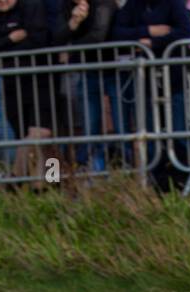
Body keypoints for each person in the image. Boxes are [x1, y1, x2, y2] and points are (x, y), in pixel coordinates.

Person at [110, 0, 190, 179]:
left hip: (174, 79)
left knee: (179, 131)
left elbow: (186, 32)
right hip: (145, 83)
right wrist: (148, 32)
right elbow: (116, 33)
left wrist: (153, 43)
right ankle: (154, 178)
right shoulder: (133, 5)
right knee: (150, 134)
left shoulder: (174, 4)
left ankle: (183, 177)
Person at [0, 0, 57, 178]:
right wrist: (10, 39)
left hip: (40, 79)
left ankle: (19, 179)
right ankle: (41, 186)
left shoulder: (32, 6)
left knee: (40, 135)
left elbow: (38, 39)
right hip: (10, 82)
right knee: (25, 138)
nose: (2, 1)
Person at [59, 0, 120, 172]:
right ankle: (86, 168)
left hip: (112, 70)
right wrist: (74, 22)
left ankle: (123, 168)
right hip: (84, 71)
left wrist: (71, 51)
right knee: (88, 125)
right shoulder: (66, 7)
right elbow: (56, 38)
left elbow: (98, 35)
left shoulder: (103, 4)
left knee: (119, 124)